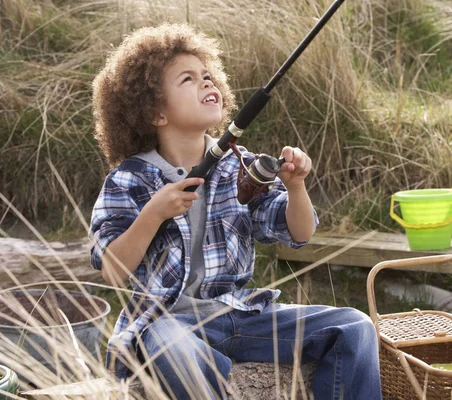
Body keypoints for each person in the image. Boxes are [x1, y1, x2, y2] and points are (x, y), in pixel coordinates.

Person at [89, 23, 382, 400]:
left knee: (355, 327)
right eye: (188, 79)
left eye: (208, 76)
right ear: (155, 112)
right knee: (173, 349)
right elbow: (113, 270)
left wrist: (296, 186)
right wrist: (153, 214)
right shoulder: (127, 180)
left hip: (241, 314)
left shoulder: (239, 164)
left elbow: (299, 232)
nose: (206, 83)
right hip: (167, 322)